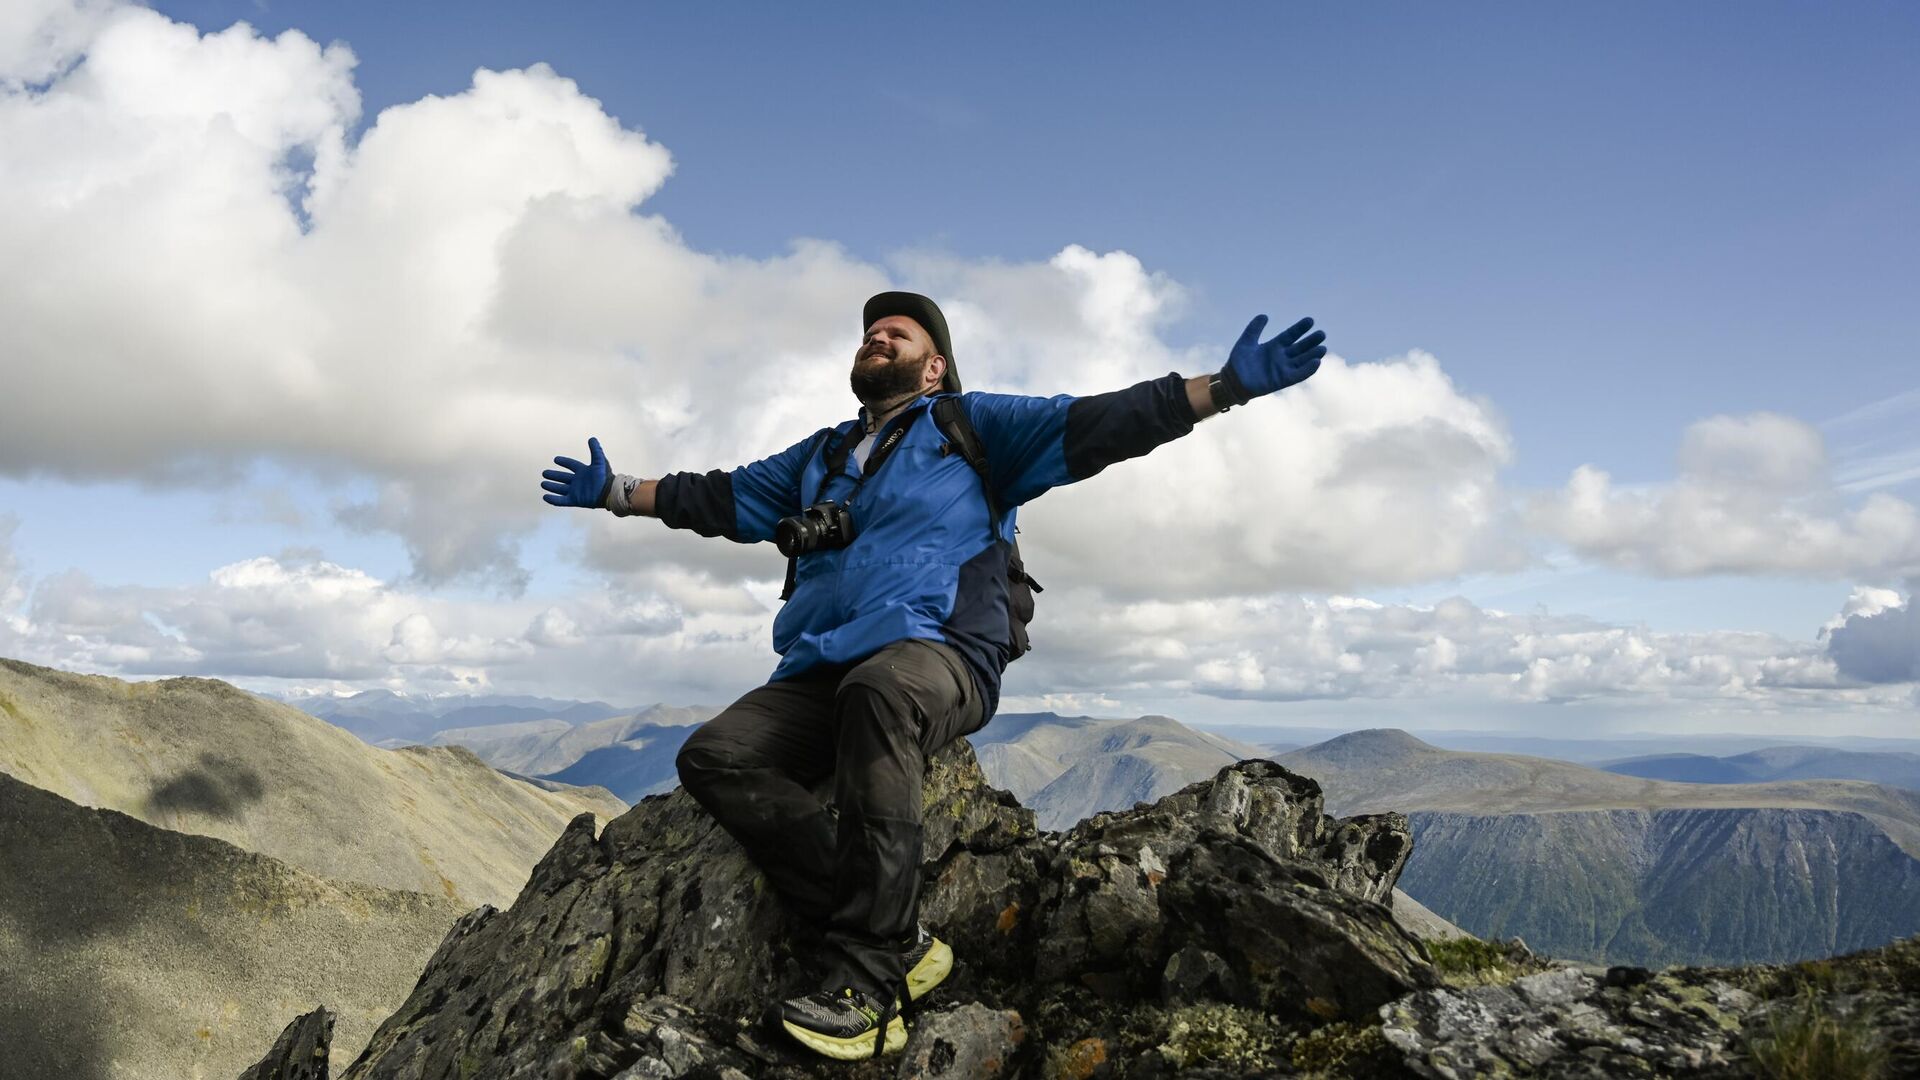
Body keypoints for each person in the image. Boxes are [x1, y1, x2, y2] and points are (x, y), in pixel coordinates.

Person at [539, 291, 1326, 1059]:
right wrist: (614, 493)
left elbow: (1095, 422)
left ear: (933, 368)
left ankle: (869, 984)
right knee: (715, 754)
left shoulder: (970, 427)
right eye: (871, 331)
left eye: (898, 334)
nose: (878, 337)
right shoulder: (821, 457)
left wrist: (1220, 390)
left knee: (878, 693)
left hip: (941, 651)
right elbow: (718, 497)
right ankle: (899, 932)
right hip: (822, 665)